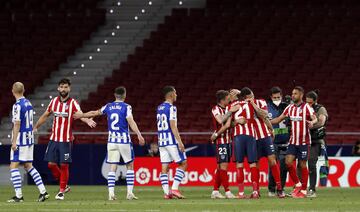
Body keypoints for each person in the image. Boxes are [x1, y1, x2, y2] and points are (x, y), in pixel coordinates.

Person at [74, 86, 145, 200]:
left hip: (112, 141)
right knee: (130, 166)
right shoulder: (127, 107)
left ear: (114, 95)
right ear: (125, 95)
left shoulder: (108, 106)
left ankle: (111, 194)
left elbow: (94, 112)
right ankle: (129, 193)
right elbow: (131, 121)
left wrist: (81, 115)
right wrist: (139, 134)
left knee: (113, 167)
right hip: (124, 141)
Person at [34, 78, 96, 200]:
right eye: (61, 87)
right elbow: (45, 115)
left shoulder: (73, 103)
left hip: (66, 140)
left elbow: (79, 114)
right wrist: (35, 126)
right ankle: (65, 185)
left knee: (64, 165)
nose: (63, 89)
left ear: (69, 88)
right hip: (53, 139)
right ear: (58, 88)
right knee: (51, 165)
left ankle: (61, 190)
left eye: (65, 87)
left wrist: (87, 119)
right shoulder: (53, 102)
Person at [271, 86, 318, 198]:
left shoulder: (306, 107)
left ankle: (303, 190)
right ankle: (297, 184)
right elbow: (278, 119)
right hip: (293, 141)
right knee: (288, 162)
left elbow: (314, 118)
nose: (293, 95)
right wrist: (265, 121)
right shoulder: (290, 107)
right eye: (292, 93)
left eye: (295, 94)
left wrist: (313, 122)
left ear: (301, 95)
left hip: (303, 142)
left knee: (302, 165)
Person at [7, 82, 49, 202]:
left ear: (12, 91)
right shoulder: (28, 103)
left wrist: (14, 142)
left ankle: (19, 196)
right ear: (24, 90)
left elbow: (17, 124)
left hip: (21, 139)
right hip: (29, 138)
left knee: (13, 166)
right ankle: (43, 192)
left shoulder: (17, 105)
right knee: (28, 165)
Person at [244, 88, 285, 198]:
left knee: (272, 161)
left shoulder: (260, 102)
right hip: (252, 138)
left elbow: (264, 115)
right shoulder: (242, 106)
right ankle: (256, 191)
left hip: (265, 136)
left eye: (252, 95)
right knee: (255, 164)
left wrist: (271, 129)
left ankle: (279, 189)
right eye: (249, 97)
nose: (252, 98)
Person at [157, 86, 187, 199]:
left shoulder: (159, 107)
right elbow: (173, 126)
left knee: (164, 167)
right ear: (170, 95)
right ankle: (174, 189)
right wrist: (180, 142)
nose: (176, 95)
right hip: (171, 141)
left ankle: (166, 193)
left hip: (161, 141)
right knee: (183, 163)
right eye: (175, 93)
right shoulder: (172, 108)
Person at [230, 87, 259, 199]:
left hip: (238, 137)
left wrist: (236, 121)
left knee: (239, 164)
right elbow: (261, 113)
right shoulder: (251, 103)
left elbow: (229, 124)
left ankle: (241, 193)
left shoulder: (232, 105)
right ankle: (255, 191)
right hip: (250, 136)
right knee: (252, 164)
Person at [209, 90, 236, 199]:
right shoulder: (216, 109)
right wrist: (230, 112)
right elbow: (220, 121)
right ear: (222, 100)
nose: (229, 99)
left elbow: (229, 124)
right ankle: (228, 191)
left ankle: (215, 191)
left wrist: (237, 121)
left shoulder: (227, 108)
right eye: (227, 98)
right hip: (221, 141)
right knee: (223, 166)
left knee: (221, 167)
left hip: (229, 140)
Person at [304, 90, 328, 197]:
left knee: (311, 163)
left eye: (310, 103)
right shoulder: (303, 108)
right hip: (303, 139)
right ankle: (301, 188)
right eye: (307, 102)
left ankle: (312, 189)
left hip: (315, 141)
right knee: (300, 164)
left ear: (315, 101)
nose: (308, 104)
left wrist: (310, 125)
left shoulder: (320, 109)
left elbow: (322, 121)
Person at [266, 86, 290, 196]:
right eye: (274, 97)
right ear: (271, 97)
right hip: (272, 141)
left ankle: (281, 188)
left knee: (284, 166)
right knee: (273, 165)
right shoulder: (266, 107)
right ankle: (271, 189)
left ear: (282, 96)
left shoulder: (287, 106)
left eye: (278, 97)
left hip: (285, 140)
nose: (277, 99)